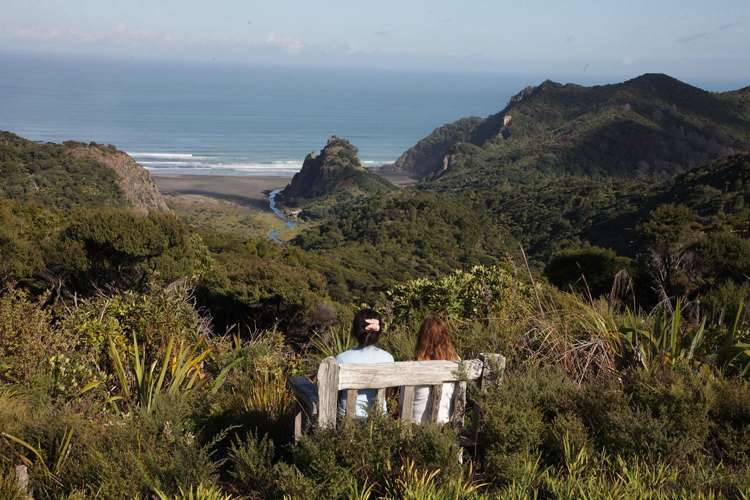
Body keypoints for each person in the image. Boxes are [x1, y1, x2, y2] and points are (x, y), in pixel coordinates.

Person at [335, 309, 394, 418]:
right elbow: (387, 393)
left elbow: (336, 395)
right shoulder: (388, 358)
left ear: (356, 331)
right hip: (378, 419)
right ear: (378, 332)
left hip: (346, 418)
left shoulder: (342, 358)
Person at [411, 315, 459, 424]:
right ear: (445, 337)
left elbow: (403, 400)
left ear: (421, 338)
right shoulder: (457, 362)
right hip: (445, 425)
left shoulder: (412, 365)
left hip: (415, 426)